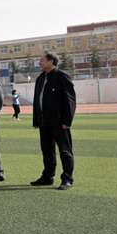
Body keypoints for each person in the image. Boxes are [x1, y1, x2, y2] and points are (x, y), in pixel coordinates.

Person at [30, 52, 76, 190]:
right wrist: (36, 120)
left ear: (51, 62)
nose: (40, 63)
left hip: (59, 122)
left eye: (42, 60)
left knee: (65, 151)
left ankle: (67, 179)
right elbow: (37, 100)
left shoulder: (62, 76)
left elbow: (70, 100)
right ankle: (47, 177)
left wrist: (67, 121)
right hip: (44, 122)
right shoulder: (40, 78)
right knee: (47, 151)